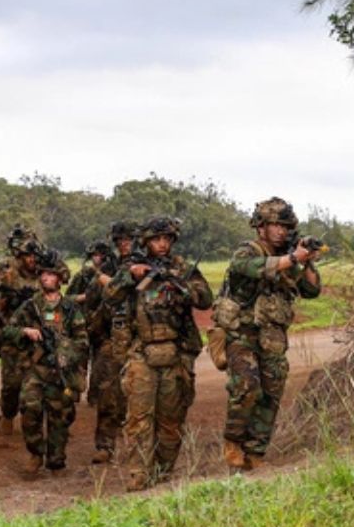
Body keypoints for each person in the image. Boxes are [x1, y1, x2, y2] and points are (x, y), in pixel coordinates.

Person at [219, 197, 322, 472]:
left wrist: (308, 262)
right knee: (246, 385)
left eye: (285, 226)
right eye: (275, 225)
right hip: (242, 334)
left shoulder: (290, 258)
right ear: (261, 227)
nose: (280, 231)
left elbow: (311, 291)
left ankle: (255, 452)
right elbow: (250, 268)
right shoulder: (247, 251)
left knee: (271, 393)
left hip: (272, 338)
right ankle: (233, 441)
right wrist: (292, 258)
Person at [114, 216, 212, 489]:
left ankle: (163, 473)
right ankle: (138, 475)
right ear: (146, 242)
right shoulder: (132, 267)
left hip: (175, 353)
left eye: (166, 239)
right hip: (142, 353)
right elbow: (110, 295)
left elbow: (205, 299)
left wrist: (180, 286)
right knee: (138, 419)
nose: (162, 244)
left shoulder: (183, 268)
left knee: (171, 420)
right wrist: (131, 275)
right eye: (156, 239)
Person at [1, 266, 88, 473]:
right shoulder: (31, 305)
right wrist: (25, 331)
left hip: (60, 371)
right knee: (29, 409)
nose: (46, 278)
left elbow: (82, 341)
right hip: (36, 369)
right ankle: (35, 454)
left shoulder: (70, 308)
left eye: (51, 275)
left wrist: (66, 354)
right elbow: (7, 330)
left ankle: (56, 458)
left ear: (60, 279)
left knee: (60, 416)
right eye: (44, 275)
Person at [0, 227, 65, 434]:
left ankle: (38, 423)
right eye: (27, 256)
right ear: (19, 256)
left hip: (39, 338)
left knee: (41, 382)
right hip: (14, 337)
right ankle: (7, 415)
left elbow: (59, 288)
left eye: (35, 255)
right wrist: (8, 301)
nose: (32, 260)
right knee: (11, 384)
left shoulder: (44, 273)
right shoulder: (6, 272)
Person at [70, 223, 134, 462]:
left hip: (143, 338)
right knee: (107, 393)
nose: (124, 244)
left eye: (128, 239)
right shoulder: (108, 268)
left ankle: (140, 446)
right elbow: (91, 297)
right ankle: (105, 445)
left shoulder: (148, 266)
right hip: (112, 338)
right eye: (120, 240)